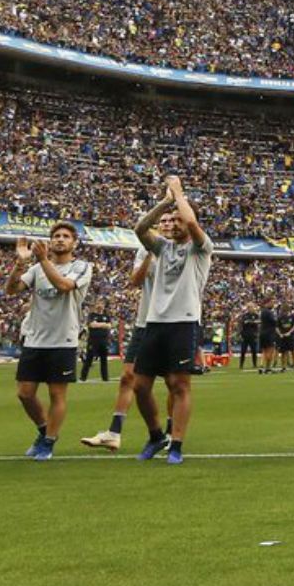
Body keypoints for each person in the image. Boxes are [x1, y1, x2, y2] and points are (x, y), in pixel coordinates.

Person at [131, 175, 214, 465]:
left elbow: (192, 224)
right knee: (140, 386)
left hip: (184, 322)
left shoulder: (202, 248)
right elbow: (141, 228)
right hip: (155, 322)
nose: (174, 223)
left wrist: (179, 193)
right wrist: (165, 201)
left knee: (179, 386)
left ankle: (176, 443)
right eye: (170, 219)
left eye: (178, 218)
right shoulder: (162, 248)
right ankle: (156, 435)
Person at [8, 225, 93, 460]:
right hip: (35, 337)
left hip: (63, 338)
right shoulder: (36, 268)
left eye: (66, 236)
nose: (60, 240)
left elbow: (64, 286)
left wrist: (43, 260)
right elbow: (11, 290)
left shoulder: (82, 267)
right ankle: (45, 430)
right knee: (25, 393)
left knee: (57, 394)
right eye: (56, 236)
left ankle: (48, 443)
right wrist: (20, 263)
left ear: (74, 242)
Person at [79, 246, 169, 451]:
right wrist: (149, 255)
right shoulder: (145, 250)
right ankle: (115, 432)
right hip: (144, 322)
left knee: (175, 382)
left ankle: (172, 434)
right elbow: (136, 280)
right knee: (128, 377)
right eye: (162, 221)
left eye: (170, 220)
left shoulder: (184, 248)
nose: (166, 224)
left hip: (174, 322)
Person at [81, 302, 114, 383]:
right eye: (98, 304)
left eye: (101, 304)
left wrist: (99, 324)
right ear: (96, 306)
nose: (100, 306)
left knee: (104, 360)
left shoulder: (106, 316)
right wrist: (104, 324)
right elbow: (92, 325)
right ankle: (83, 378)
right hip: (93, 340)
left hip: (104, 341)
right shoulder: (92, 315)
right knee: (89, 359)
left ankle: (105, 378)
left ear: (103, 306)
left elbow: (109, 326)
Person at [236, 301, 260, 372]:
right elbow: (242, 323)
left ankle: (255, 364)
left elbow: (258, 322)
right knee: (243, 351)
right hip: (245, 335)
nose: (250, 308)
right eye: (249, 307)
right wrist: (240, 333)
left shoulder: (256, 315)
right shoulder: (244, 315)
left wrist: (251, 322)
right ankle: (241, 364)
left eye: (251, 307)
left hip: (253, 335)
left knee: (254, 351)